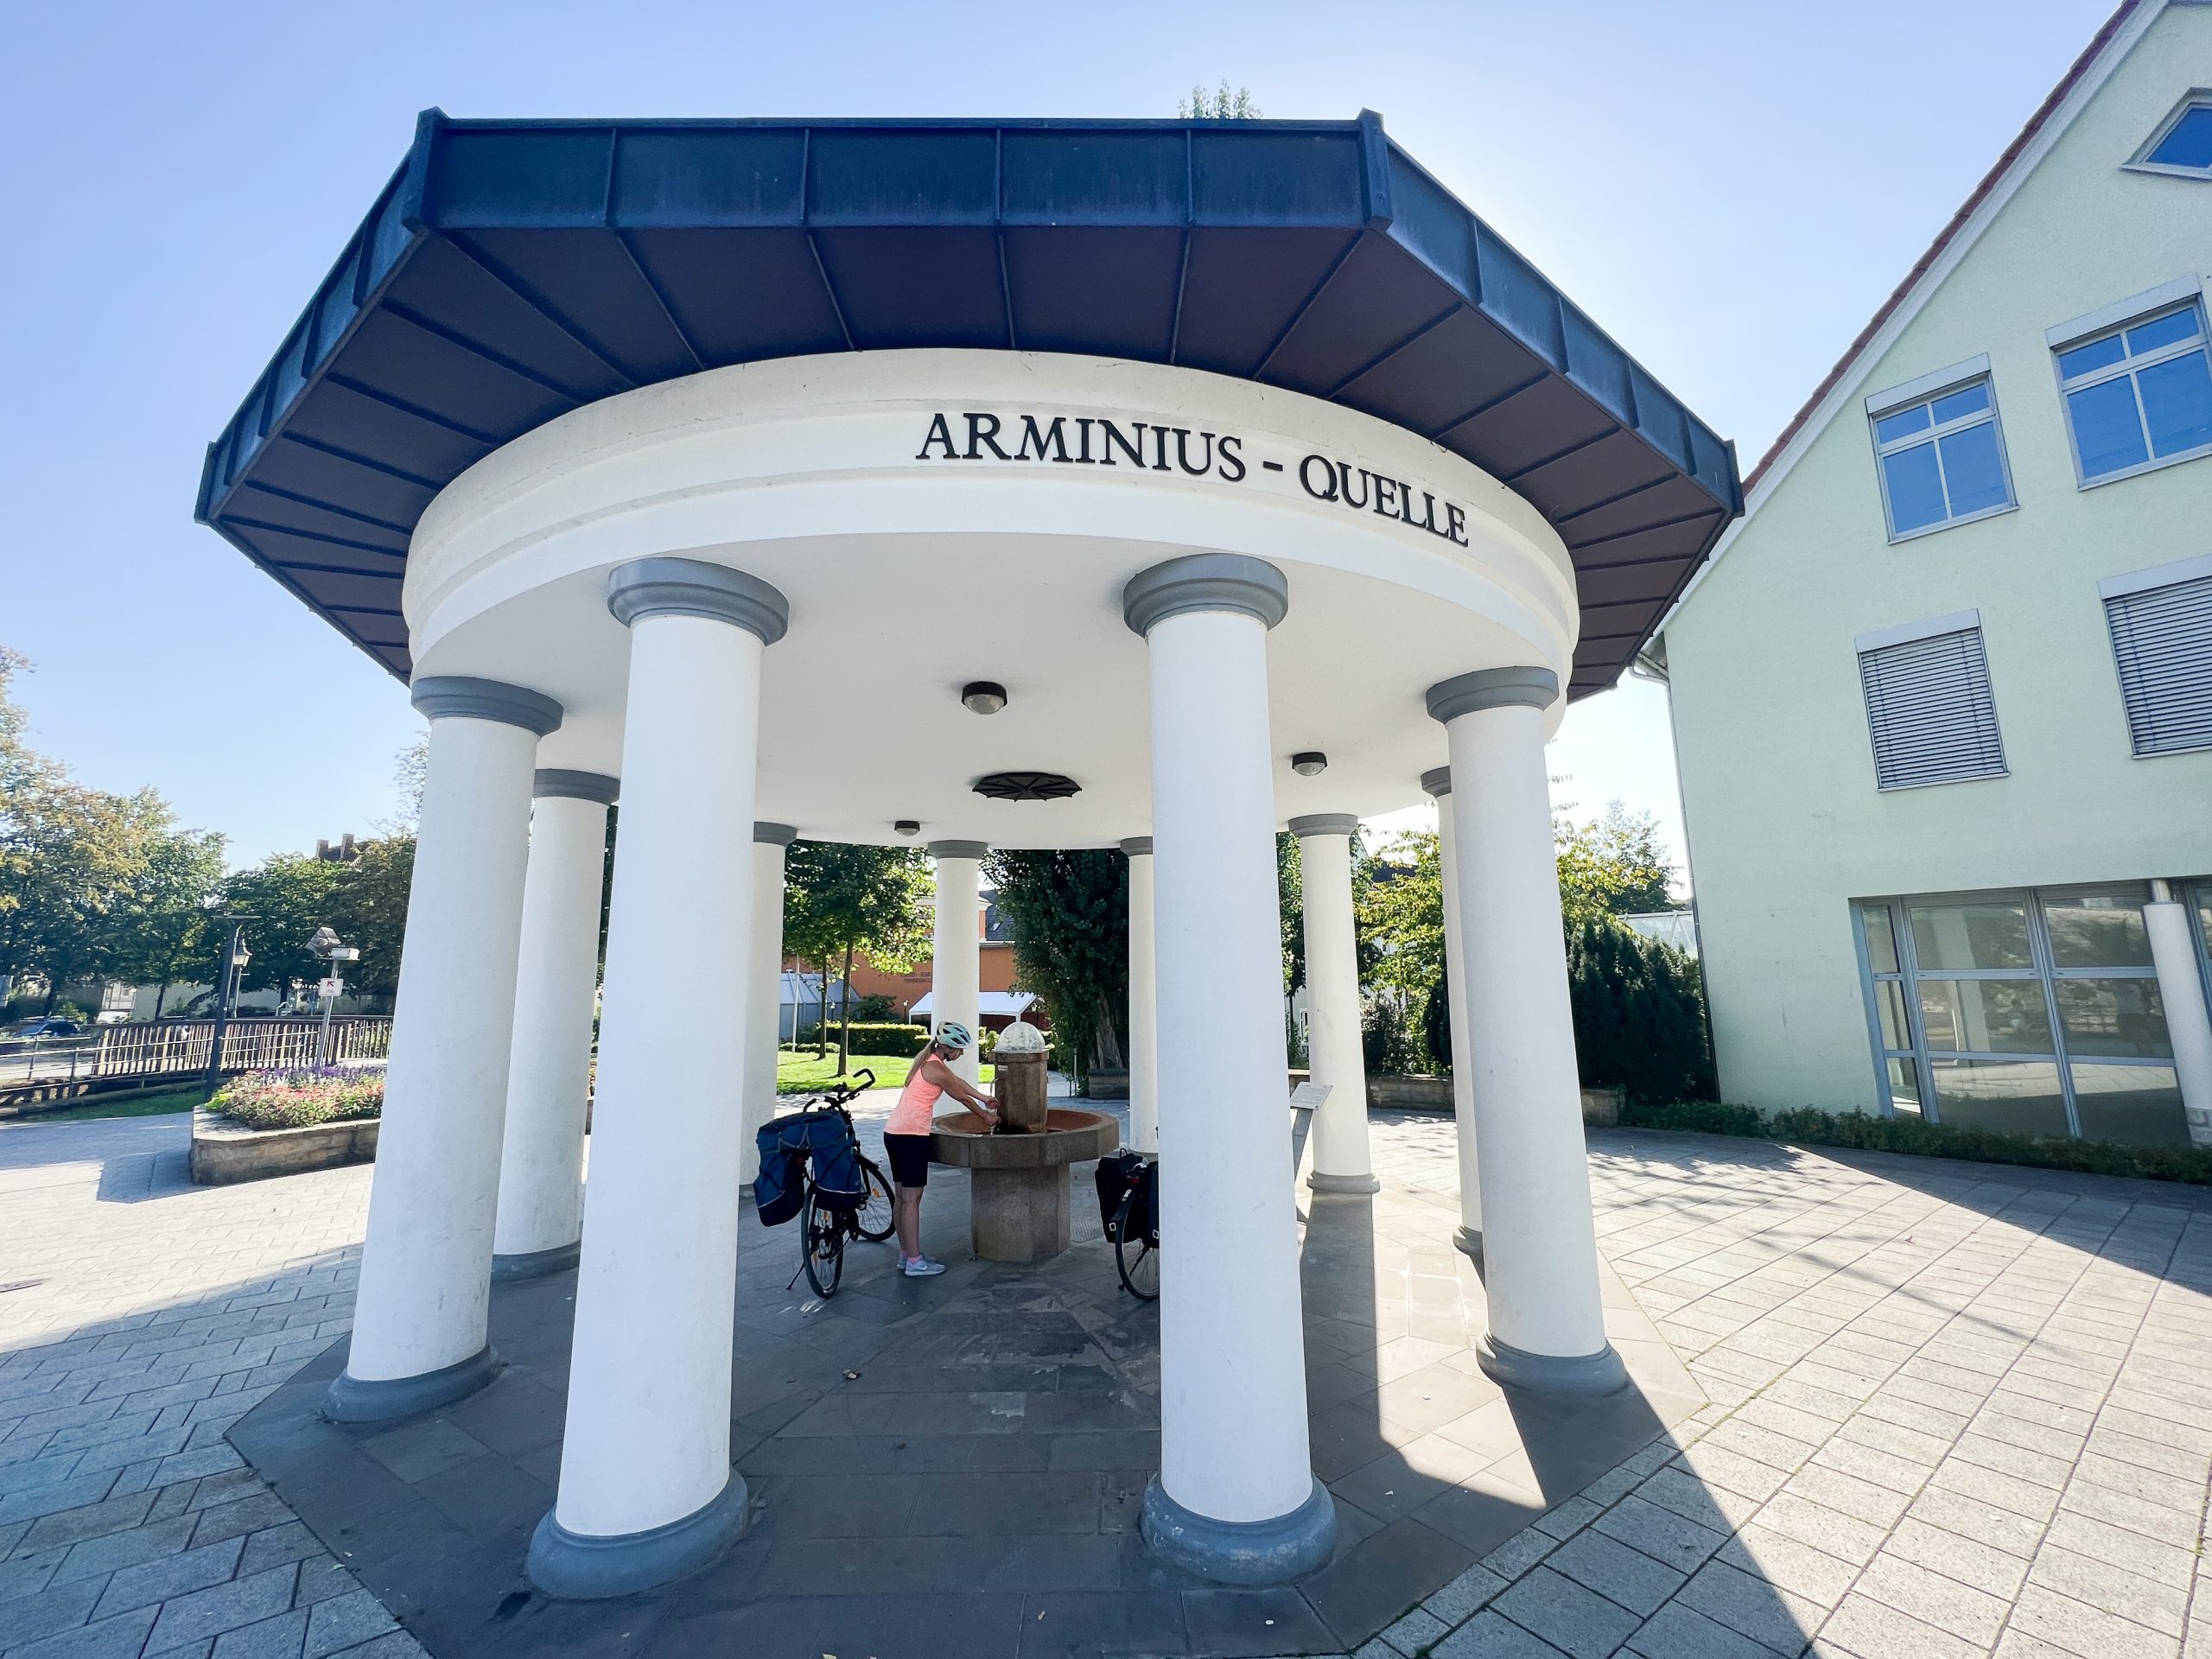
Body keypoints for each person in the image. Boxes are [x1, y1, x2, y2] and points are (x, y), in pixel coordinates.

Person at [882, 1020, 995, 1276]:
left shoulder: (931, 1063)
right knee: (912, 1200)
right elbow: (961, 1097)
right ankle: (914, 1262)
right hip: (911, 1137)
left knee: (902, 1198)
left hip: (895, 1133)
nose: (962, 1053)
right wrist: (985, 1117)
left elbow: (960, 1084)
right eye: (961, 1049)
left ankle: (906, 1254)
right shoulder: (935, 1068)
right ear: (950, 1048)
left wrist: (984, 1097)